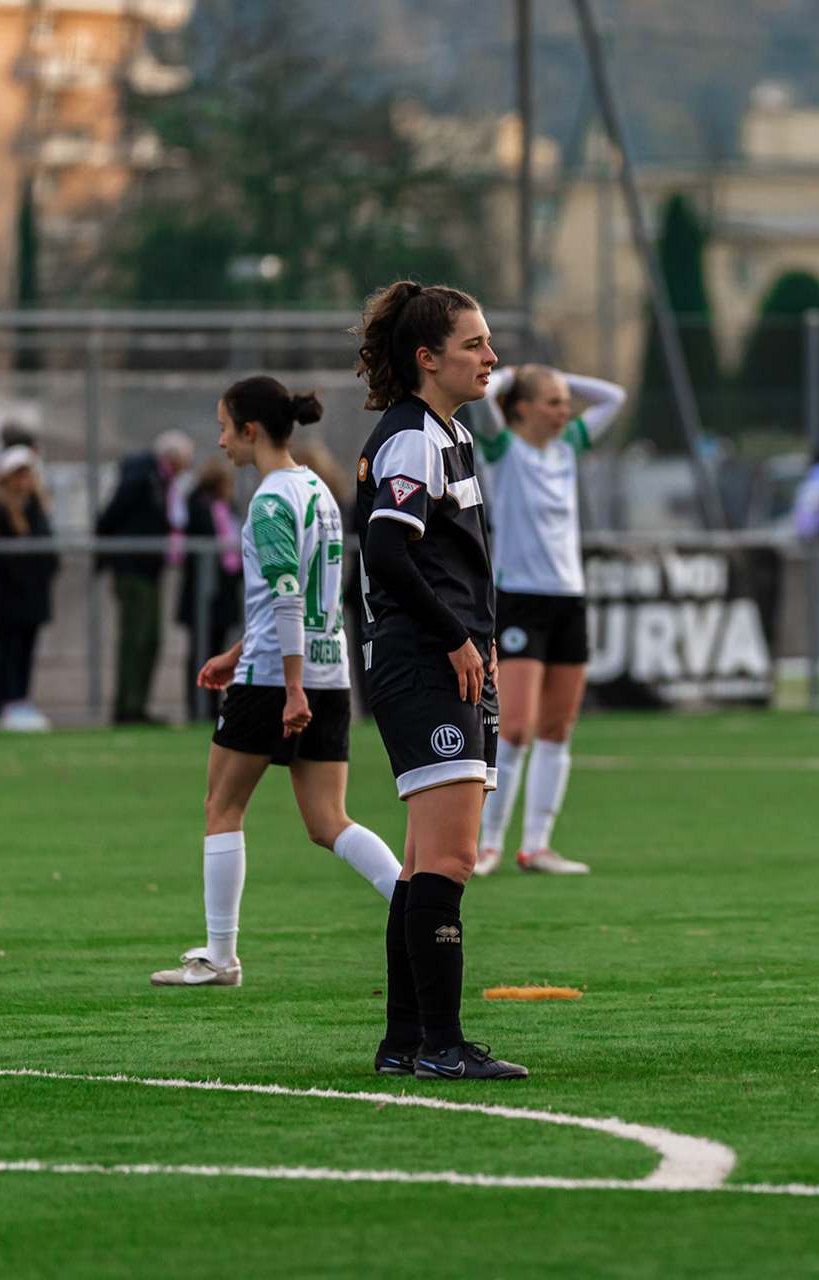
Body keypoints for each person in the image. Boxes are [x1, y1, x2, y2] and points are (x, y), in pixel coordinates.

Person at [150, 376, 404, 988]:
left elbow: (288, 598)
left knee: (222, 807)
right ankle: (421, 905)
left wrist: (288, 688)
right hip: (329, 671)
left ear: (250, 430)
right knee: (328, 822)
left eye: (224, 428)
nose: (220, 442)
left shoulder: (268, 501)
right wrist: (236, 652)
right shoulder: (318, 489)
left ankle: (220, 958)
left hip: (275, 679)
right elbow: (306, 596)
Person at [354, 280, 526, 1081]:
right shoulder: (413, 439)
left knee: (424, 860)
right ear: (428, 359)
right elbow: (386, 551)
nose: (491, 356)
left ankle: (405, 1041)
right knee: (451, 860)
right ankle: (445, 1047)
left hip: (443, 661)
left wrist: (475, 639)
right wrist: (457, 637)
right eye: (474, 344)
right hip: (423, 664)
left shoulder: (447, 433)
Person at [472, 362, 625, 877]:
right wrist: (512, 373)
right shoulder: (503, 449)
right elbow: (484, 396)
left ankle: (536, 846)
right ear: (521, 408)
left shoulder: (565, 448)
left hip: (568, 599)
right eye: (553, 402)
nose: (565, 411)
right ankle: (489, 844)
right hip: (520, 599)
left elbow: (614, 396)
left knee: (558, 728)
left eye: (565, 402)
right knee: (515, 728)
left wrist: (555, 375)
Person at [97, 430, 193, 723]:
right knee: (135, 639)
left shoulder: (160, 480)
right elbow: (112, 514)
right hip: (132, 569)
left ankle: (138, 704)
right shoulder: (142, 476)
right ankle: (127, 707)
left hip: (150, 570)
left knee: (150, 639)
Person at [0, 445, 59, 730]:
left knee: (25, 650)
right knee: (7, 650)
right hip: (9, 594)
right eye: (19, 473)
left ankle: (20, 700)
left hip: (33, 593)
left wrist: (45, 571)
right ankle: (3, 703)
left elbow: (47, 548)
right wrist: (20, 577)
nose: (25, 479)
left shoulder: (36, 505)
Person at [177, 458, 242, 722]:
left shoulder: (230, 507)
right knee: (200, 649)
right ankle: (198, 705)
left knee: (220, 647)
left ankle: (214, 704)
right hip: (202, 591)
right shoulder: (196, 507)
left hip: (225, 591)